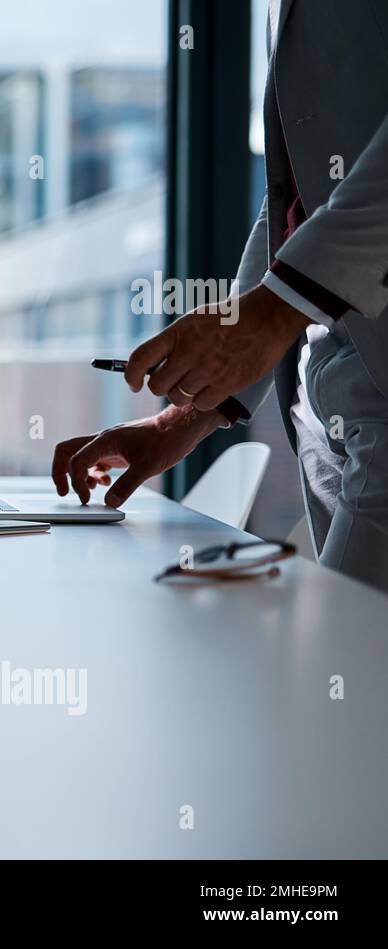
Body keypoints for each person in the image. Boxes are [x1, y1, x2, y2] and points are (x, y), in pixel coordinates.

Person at [52, 0, 388, 593]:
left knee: (348, 671)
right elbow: (294, 201)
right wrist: (190, 414)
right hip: (328, 398)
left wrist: (276, 309)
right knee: (349, 673)